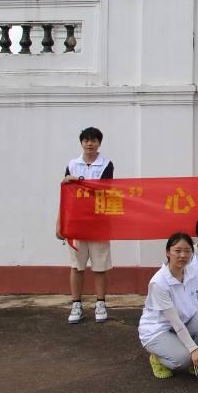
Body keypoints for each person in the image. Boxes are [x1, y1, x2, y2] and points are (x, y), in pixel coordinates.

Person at [139, 233, 198, 380]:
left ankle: (196, 364)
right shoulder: (159, 283)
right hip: (158, 330)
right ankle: (157, 358)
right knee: (183, 359)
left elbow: (188, 287)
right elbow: (174, 320)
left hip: (183, 321)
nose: (183, 255)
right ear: (168, 252)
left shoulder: (190, 271)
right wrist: (193, 349)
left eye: (187, 251)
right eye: (177, 251)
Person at [55, 126, 114, 324]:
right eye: (86, 140)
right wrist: (60, 224)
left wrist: (78, 182)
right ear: (81, 143)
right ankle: (76, 304)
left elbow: (103, 190)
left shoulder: (106, 164)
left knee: (99, 267)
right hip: (76, 224)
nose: (90, 144)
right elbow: (65, 196)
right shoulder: (72, 164)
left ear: (99, 143)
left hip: (99, 224)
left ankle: (100, 303)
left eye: (94, 140)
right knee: (76, 267)